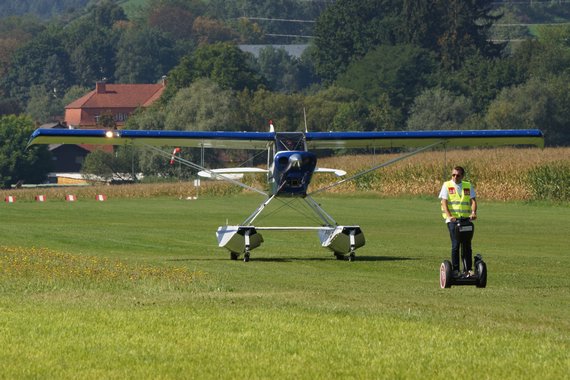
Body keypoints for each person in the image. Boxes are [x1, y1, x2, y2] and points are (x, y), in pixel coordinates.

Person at [439, 166, 477, 277]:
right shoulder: (447, 185)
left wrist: (473, 213)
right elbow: (444, 202)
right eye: (453, 175)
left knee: (467, 245)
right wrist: (449, 216)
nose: (455, 177)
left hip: (465, 219)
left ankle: (468, 270)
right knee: (456, 244)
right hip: (452, 221)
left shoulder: (467, 185)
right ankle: (455, 270)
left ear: (462, 176)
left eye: (458, 175)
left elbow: (473, 201)